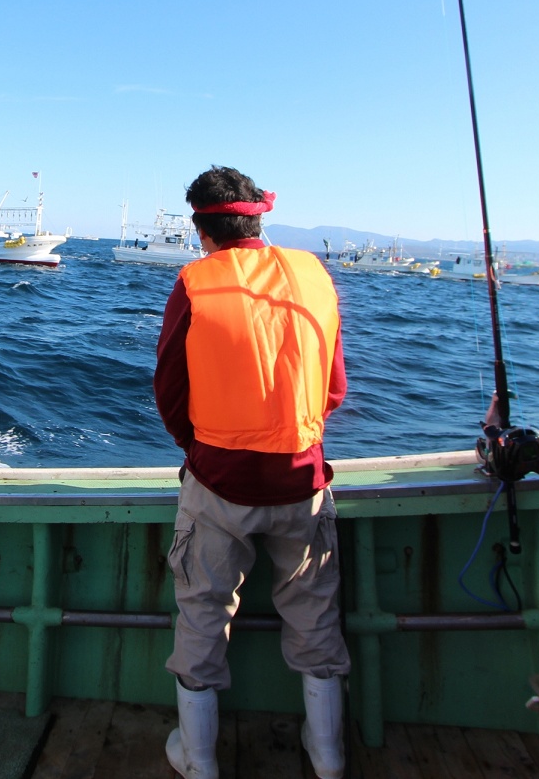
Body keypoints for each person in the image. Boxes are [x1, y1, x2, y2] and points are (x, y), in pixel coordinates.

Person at [154, 166, 350, 779]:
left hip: (216, 483)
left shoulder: (194, 281)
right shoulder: (315, 276)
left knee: (202, 617)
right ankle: (329, 757)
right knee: (316, 620)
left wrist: (202, 448)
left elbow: (169, 388)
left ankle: (200, 761)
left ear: (200, 226)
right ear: (257, 216)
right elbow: (335, 390)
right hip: (303, 482)